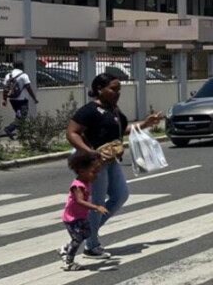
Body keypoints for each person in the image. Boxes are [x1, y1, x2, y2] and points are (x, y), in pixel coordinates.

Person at [66, 73, 163, 258]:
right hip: (95, 164)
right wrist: (88, 151)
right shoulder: (89, 110)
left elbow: (121, 129)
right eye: (113, 89)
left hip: (111, 161)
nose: (117, 93)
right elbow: (72, 133)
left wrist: (146, 124)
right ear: (99, 89)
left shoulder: (114, 110)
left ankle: (86, 233)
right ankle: (91, 246)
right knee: (97, 202)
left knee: (120, 195)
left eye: (119, 89)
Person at [60, 152, 108, 271]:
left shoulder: (87, 181)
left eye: (97, 172)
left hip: (80, 216)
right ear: (81, 171)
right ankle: (68, 262)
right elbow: (80, 201)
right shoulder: (78, 186)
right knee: (77, 239)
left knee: (87, 233)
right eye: (93, 172)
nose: (96, 176)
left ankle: (65, 249)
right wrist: (96, 207)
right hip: (72, 218)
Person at [1, 60, 38, 139]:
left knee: (19, 115)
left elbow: (5, 89)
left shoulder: (8, 75)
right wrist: (34, 98)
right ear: (21, 66)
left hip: (13, 100)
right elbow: (28, 88)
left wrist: (4, 99)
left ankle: (22, 133)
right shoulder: (23, 75)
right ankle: (9, 128)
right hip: (22, 100)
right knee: (21, 117)